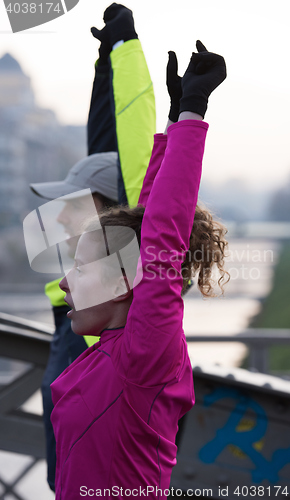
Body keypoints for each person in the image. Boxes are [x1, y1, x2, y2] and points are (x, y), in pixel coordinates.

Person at [50, 41, 227, 499]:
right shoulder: (110, 350)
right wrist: (171, 121)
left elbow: (162, 236)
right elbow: (146, 219)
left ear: (126, 281)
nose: (65, 282)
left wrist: (192, 113)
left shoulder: (142, 357)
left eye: (82, 268)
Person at [29, 3, 156, 491]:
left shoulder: (124, 304)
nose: (59, 216)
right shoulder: (86, 303)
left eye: (71, 203)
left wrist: (125, 50)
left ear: (109, 207)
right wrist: (106, 63)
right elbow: (105, 139)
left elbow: (133, 144)